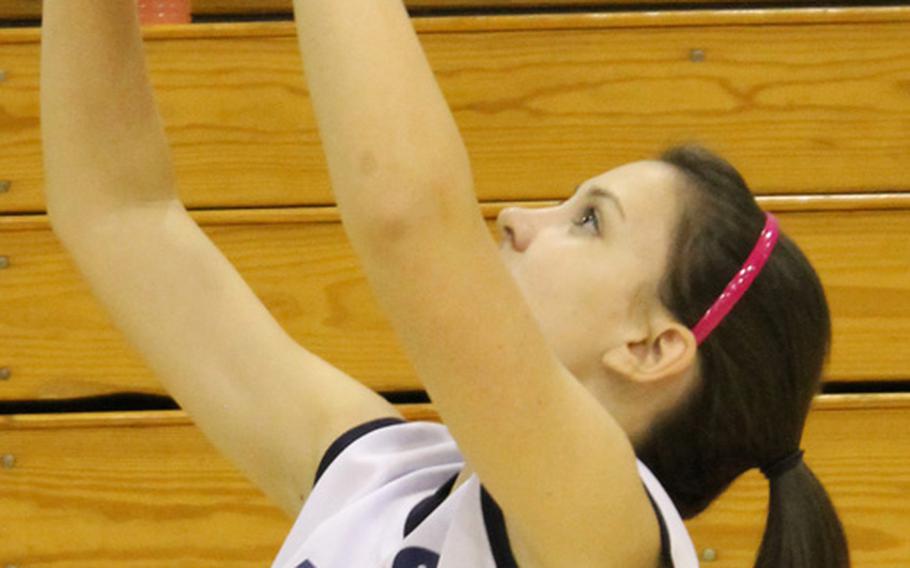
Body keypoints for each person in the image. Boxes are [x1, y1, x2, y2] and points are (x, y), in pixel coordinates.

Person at [40, 1, 849, 567]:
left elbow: (407, 218)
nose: (516, 218)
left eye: (588, 220)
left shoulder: (610, 530)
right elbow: (120, 215)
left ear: (650, 346)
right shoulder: (382, 477)